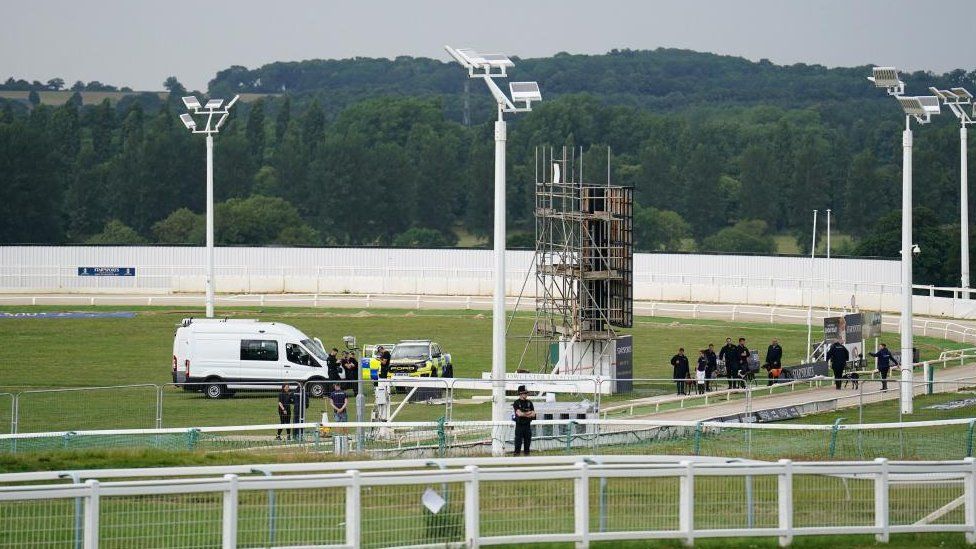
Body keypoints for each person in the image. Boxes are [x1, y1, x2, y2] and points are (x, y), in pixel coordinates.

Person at [512, 385, 536, 456]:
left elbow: (533, 414)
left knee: (527, 445)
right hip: (519, 426)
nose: (526, 395)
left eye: (526, 393)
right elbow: (519, 414)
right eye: (525, 393)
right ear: (520, 393)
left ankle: (527, 460)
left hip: (527, 426)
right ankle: (516, 460)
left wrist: (524, 414)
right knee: (518, 444)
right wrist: (528, 414)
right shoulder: (516, 402)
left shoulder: (529, 403)